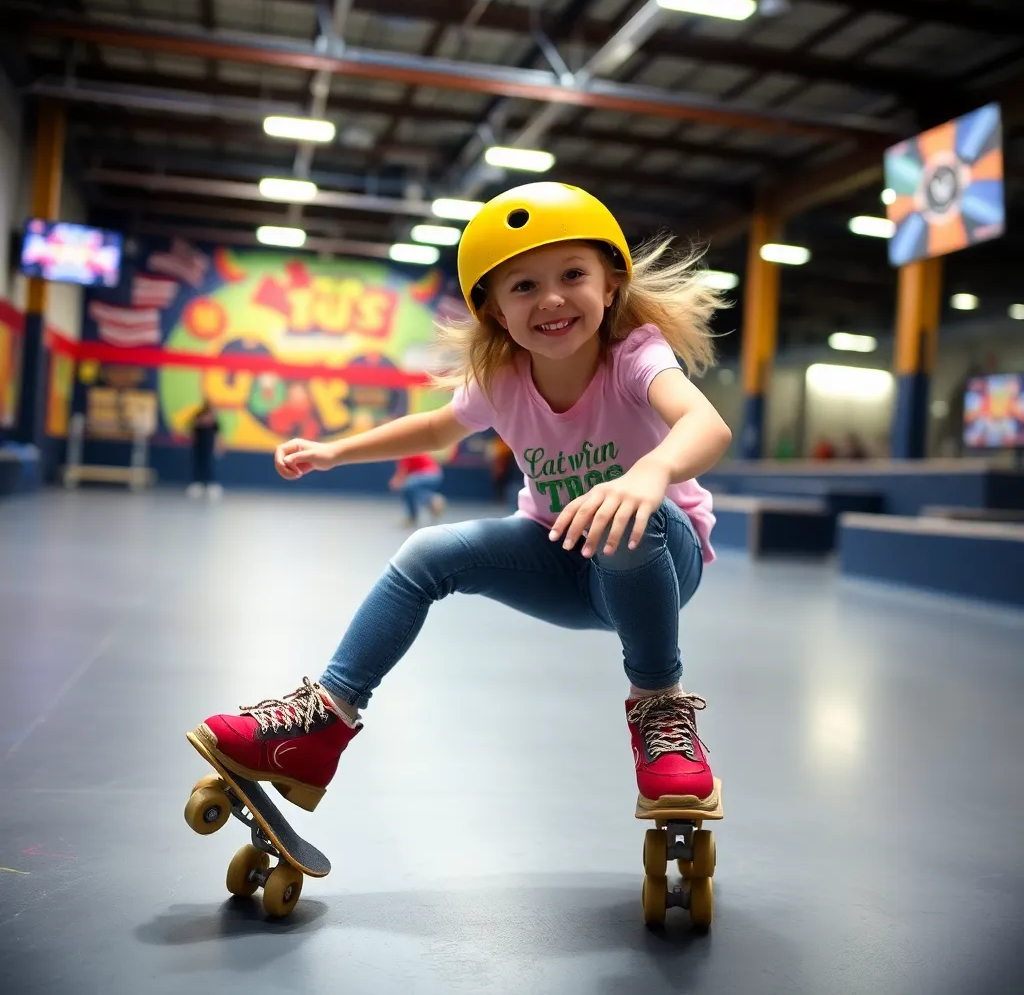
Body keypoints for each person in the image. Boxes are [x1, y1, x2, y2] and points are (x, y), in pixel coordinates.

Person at [188, 182, 732, 817]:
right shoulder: (502, 380)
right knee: (427, 551)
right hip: (560, 559)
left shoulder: (634, 357)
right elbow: (435, 428)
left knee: (631, 522)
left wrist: (653, 471)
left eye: (573, 274)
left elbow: (706, 425)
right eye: (522, 286)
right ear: (496, 311)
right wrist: (336, 451)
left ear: (611, 283)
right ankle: (322, 726)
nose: (551, 298)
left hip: (661, 558)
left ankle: (661, 710)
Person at [389, 452, 446, 526]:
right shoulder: (412, 449)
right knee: (411, 490)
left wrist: (396, 480)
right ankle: (432, 500)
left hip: (428, 474)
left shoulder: (406, 452)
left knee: (408, 487)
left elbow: (403, 471)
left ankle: (413, 516)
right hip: (436, 474)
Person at [187, 398, 222, 498]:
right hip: (199, 445)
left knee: (209, 464)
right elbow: (193, 426)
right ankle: (196, 484)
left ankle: (211, 484)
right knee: (198, 463)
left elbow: (218, 434)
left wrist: (218, 446)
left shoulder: (214, 420)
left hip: (209, 446)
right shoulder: (198, 415)